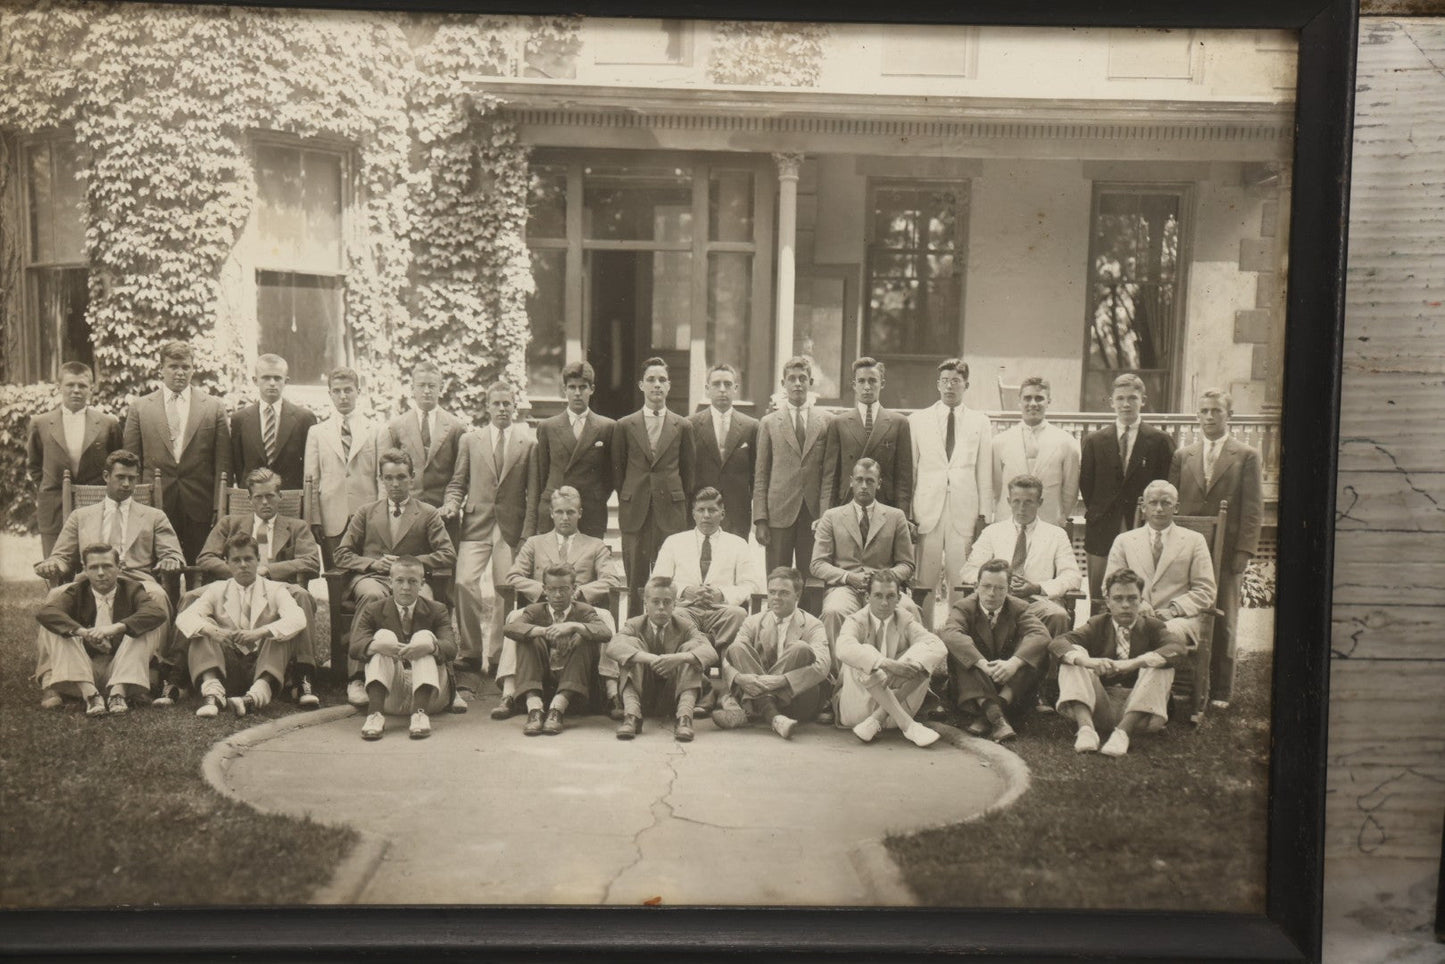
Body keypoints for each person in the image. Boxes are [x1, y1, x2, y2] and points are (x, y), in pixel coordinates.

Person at [334, 448, 456, 705]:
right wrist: (373, 563)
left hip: (412, 579)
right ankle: (358, 676)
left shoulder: (427, 513)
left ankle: (436, 675)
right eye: (388, 478)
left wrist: (408, 565)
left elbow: (447, 554)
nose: (395, 484)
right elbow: (342, 554)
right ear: (381, 479)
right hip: (374, 577)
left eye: (401, 477)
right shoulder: (366, 512)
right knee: (373, 596)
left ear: (412, 478)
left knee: (423, 597)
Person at [193, 467, 323, 705]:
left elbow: (312, 561)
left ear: (280, 497)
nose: (265, 502)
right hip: (235, 583)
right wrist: (238, 571)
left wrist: (267, 570)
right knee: (191, 598)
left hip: (278, 586)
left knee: (302, 596)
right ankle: (177, 673)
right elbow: (205, 557)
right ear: (249, 499)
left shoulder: (296, 526)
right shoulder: (230, 523)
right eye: (258, 497)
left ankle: (304, 677)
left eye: (270, 496)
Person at [1169, 389, 1264, 707]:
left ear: (1229, 416)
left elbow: (1252, 509)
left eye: (1216, 411)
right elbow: (1174, 502)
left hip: (1226, 552)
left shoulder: (1246, 456)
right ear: (1197, 415)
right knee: (1184, 613)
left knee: (1224, 618)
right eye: (1204, 411)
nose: (1209, 417)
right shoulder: (1184, 455)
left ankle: (1221, 690)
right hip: (1188, 549)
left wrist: (1244, 551)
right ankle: (1183, 682)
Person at [441, 382, 536, 694]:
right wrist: (452, 504)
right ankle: (469, 651)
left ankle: (496, 654)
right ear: (487, 406)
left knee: (504, 589)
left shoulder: (527, 442)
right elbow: (458, 481)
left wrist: (527, 531)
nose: (502, 409)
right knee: (463, 582)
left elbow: (531, 491)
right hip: (476, 523)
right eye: (496, 403)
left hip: (510, 525)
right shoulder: (471, 440)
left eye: (507, 403)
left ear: (515, 406)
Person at [499, 486, 623, 721]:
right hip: (543, 609)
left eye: (570, 512)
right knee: (514, 618)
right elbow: (513, 576)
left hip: (578, 608)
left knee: (605, 617)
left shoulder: (594, 545)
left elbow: (611, 579)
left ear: (580, 513)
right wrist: (544, 592)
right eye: (559, 512)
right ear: (551, 513)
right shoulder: (534, 543)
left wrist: (579, 593)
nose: (565, 517)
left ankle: (611, 692)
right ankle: (508, 692)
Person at [1050, 568, 1186, 756]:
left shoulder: (1152, 626)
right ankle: (1086, 731)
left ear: (1141, 601)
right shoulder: (1097, 624)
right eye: (1118, 598)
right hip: (1100, 706)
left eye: (1132, 598)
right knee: (1073, 657)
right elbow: (1059, 643)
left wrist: (1135, 663)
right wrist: (1089, 662)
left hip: (1141, 711)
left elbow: (1177, 648)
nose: (1125, 605)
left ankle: (1122, 733)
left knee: (1160, 662)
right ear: (1108, 602)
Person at [1104, 479, 1217, 701]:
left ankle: (1149, 695)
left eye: (1166, 503)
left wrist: (1173, 610)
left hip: (1178, 618)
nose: (1158, 508)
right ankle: (1126, 690)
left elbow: (1206, 589)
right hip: (1133, 612)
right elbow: (1109, 583)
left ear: (1176, 507)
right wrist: (1139, 605)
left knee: (1168, 632)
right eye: (1152, 502)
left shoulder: (1194, 541)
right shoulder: (1124, 540)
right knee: (1113, 628)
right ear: (1143, 507)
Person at [175, 533, 307, 719]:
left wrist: (259, 633)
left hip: (263, 666)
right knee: (203, 627)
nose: (243, 565)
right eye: (236, 560)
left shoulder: (275, 589)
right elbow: (185, 618)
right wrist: (216, 632)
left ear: (258, 560)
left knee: (278, 631)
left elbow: (298, 618)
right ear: (227, 563)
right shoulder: (217, 589)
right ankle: (213, 695)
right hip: (228, 667)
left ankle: (254, 697)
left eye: (248, 559)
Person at [122, 341, 231, 562]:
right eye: (173, 366)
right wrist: (136, 503)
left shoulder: (213, 407)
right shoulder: (140, 408)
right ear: (161, 369)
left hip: (200, 502)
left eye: (185, 367)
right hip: (155, 502)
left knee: (200, 566)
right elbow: (131, 462)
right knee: (159, 567)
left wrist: (219, 506)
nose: (179, 373)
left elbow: (223, 465)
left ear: (193, 369)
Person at [34, 544, 168, 716]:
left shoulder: (131, 589)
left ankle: (117, 694)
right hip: (82, 671)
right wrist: (84, 633)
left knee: (147, 626)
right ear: (85, 570)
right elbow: (46, 613)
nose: (101, 573)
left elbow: (156, 613)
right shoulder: (77, 591)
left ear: (119, 568)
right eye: (94, 567)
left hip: (121, 670)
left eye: (107, 566)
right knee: (56, 627)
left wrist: (114, 629)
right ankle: (91, 695)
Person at [1079, 373, 1175, 598]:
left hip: (1142, 524)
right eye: (1120, 398)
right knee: (1099, 595)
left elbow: (1166, 484)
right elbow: (1087, 484)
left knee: (1141, 593)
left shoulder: (1159, 441)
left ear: (1143, 400)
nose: (1126, 404)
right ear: (1111, 401)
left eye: (1132, 398)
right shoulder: (1094, 441)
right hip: (1102, 527)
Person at [34, 449, 185, 592]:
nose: (126, 483)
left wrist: (171, 560)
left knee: (157, 596)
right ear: (106, 476)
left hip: (139, 582)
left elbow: (171, 553)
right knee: (56, 597)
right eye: (120, 477)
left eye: (132, 478)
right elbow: (61, 556)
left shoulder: (155, 516)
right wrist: (53, 564)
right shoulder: (80, 516)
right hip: (89, 581)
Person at [937, 559, 1051, 742]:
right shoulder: (965, 607)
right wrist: (983, 664)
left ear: (1009, 590)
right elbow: (950, 633)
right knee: (962, 656)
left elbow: (1040, 634)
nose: (992, 594)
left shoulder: (1018, 608)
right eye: (986, 586)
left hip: (1008, 679)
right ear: (976, 586)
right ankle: (998, 719)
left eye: (1000, 588)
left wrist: (1013, 664)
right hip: (976, 677)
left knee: (1032, 655)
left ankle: (988, 714)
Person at [811, 458, 920, 651]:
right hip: (846, 587)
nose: (863, 486)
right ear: (851, 481)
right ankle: (838, 678)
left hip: (885, 587)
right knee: (833, 611)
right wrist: (849, 577)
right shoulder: (832, 516)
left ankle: (903, 673)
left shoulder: (895, 516)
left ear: (879, 484)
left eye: (870, 481)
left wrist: (883, 578)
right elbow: (818, 563)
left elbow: (907, 564)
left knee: (909, 609)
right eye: (859, 479)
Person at [711, 567, 831, 739]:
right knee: (736, 648)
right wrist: (739, 678)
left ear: (797, 596)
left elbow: (823, 666)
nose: (775, 598)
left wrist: (780, 680)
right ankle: (774, 717)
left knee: (800, 648)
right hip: (757, 688)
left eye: (783, 593)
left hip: (796, 699)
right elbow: (729, 660)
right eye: (772, 592)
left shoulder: (813, 624)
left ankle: (749, 712)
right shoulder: (753, 622)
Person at [349, 556, 458, 741]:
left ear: (422, 584)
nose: (406, 587)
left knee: (423, 638)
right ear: (390, 582)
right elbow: (355, 647)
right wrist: (377, 646)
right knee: (383, 637)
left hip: (431, 695)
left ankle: (420, 715)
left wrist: (429, 647)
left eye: (412, 581)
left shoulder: (437, 609)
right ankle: (374, 715)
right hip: (391, 694)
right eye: (400, 580)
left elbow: (451, 648)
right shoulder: (374, 609)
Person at [834, 570, 946, 748]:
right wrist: (887, 664)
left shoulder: (905, 620)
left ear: (898, 599)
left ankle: (878, 718)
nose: (884, 603)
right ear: (867, 597)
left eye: (890, 596)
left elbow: (938, 646)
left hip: (897, 707)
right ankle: (908, 726)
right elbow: (842, 648)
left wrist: (913, 666)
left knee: (922, 654)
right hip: (858, 709)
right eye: (878, 596)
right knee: (863, 652)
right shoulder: (855, 621)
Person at [960, 474, 1081, 637]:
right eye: (1016, 501)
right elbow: (969, 571)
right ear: (1009, 501)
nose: (1021, 508)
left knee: (1058, 616)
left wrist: (1038, 587)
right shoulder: (992, 532)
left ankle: (1047, 663)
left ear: (1040, 503)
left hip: (1037, 602)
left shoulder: (1056, 535)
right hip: (996, 601)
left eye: (1028, 502)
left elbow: (1072, 576)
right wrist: (999, 584)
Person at [908, 358, 992, 593]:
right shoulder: (917, 420)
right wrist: (910, 513)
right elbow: (913, 470)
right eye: (944, 381)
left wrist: (984, 517)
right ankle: (922, 628)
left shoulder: (980, 422)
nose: (949, 387)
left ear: (966, 385)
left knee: (962, 578)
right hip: (927, 511)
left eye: (956, 381)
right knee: (924, 579)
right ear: (937, 384)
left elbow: (984, 474)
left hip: (964, 510)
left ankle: (958, 628)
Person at [612, 357, 696, 590]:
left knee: (668, 581)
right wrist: (632, 494)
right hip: (636, 511)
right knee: (636, 582)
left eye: (662, 380)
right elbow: (618, 472)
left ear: (669, 386)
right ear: (641, 385)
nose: (656, 385)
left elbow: (688, 474)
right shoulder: (625, 425)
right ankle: (634, 625)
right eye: (651, 380)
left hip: (670, 511)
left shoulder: (683, 426)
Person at [501, 565, 614, 736]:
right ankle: (535, 709)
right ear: (544, 589)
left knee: (585, 638)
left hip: (575, 690)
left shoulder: (584, 611)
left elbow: (605, 633)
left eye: (564, 589)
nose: (558, 595)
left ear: (574, 589)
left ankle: (557, 709)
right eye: (552, 589)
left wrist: (574, 626)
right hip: (542, 683)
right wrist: (544, 631)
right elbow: (510, 628)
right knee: (528, 637)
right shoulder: (535, 610)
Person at [652, 487, 764, 659]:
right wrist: (684, 591)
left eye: (712, 510)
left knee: (739, 614)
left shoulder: (738, 544)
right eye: (701, 510)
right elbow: (658, 580)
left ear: (722, 514)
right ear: (693, 514)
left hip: (721, 612)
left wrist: (722, 594)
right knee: (673, 616)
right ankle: (709, 649)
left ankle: (699, 648)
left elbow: (750, 584)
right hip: (686, 609)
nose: (706, 515)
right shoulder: (675, 542)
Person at [27, 361, 121, 558]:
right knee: (56, 564)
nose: (76, 390)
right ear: (59, 386)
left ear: (91, 389)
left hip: (94, 504)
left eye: (82, 386)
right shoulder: (40, 423)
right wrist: (52, 488)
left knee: (96, 563)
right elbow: (35, 466)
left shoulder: (107, 424)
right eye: (70, 385)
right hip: (54, 507)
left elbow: (117, 464)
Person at [605, 577, 716, 742]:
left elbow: (710, 651)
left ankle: (684, 718)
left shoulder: (685, 625)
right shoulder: (635, 624)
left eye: (667, 602)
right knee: (631, 645)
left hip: (675, 694)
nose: (661, 608)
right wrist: (650, 658)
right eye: (655, 602)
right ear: (646, 604)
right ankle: (631, 717)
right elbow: (613, 647)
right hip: (642, 693)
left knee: (691, 649)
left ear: (675, 605)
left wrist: (679, 658)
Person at [752, 355, 831, 573]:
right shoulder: (769, 423)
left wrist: (825, 515)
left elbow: (828, 475)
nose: (797, 383)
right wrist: (760, 519)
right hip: (778, 513)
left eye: (803, 378)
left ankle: (810, 610)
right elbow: (761, 475)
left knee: (813, 575)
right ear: (783, 384)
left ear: (811, 383)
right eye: (792, 378)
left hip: (813, 513)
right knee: (777, 575)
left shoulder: (826, 421)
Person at [528, 360, 615, 539]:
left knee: (586, 564)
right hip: (556, 509)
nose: (577, 393)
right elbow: (542, 474)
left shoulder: (607, 427)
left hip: (590, 510)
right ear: (564, 390)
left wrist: (596, 497)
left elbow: (610, 476)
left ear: (592, 389)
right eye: (572, 387)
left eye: (582, 387)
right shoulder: (548, 427)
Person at [304, 366, 383, 563]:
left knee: (369, 572)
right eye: (337, 391)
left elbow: (382, 478)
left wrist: (383, 515)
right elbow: (311, 481)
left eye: (348, 390)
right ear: (330, 394)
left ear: (358, 391)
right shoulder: (317, 432)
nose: (343, 396)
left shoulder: (375, 431)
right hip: (331, 517)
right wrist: (314, 519)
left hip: (368, 515)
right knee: (336, 578)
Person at [820, 357, 912, 517]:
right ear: (854, 385)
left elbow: (904, 480)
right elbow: (830, 477)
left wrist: (901, 516)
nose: (867, 387)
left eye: (872, 381)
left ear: (882, 383)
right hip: (847, 505)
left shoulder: (899, 423)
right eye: (861, 381)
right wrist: (825, 516)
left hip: (885, 507)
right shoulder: (839, 423)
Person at [991, 376, 1080, 527]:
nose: (1033, 404)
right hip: (1009, 522)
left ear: (1048, 401)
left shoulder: (1066, 442)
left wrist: (1060, 518)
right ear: (1020, 401)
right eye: (1027, 398)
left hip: (1049, 522)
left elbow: (1070, 490)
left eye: (1039, 398)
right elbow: (996, 487)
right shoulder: (1000, 442)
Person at [687, 363, 758, 540]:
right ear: (707, 389)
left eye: (727, 384)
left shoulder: (751, 426)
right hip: (702, 511)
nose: (722, 390)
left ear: (735, 388)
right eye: (716, 384)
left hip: (736, 512)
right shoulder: (690, 425)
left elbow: (756, 475)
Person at [386, 361, 465, 512]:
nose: (426, 391)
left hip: (444, 513)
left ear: (440, 389)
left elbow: (460, 475)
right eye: (421, 385)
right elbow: (388, 473)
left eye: (432, 386)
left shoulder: (456, 427)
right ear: (412, 389)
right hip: (406, 512)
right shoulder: (396, 426)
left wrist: (451, 504)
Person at [229, 354, 316, 490]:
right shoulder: (239, 419)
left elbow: (309, 465)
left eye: (277, 378)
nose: (272, 383)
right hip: (253, 499)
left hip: (291, 498)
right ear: (255, 380)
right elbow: (239, 466)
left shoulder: (304, 418)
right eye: (266, 377)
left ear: (286, 381)